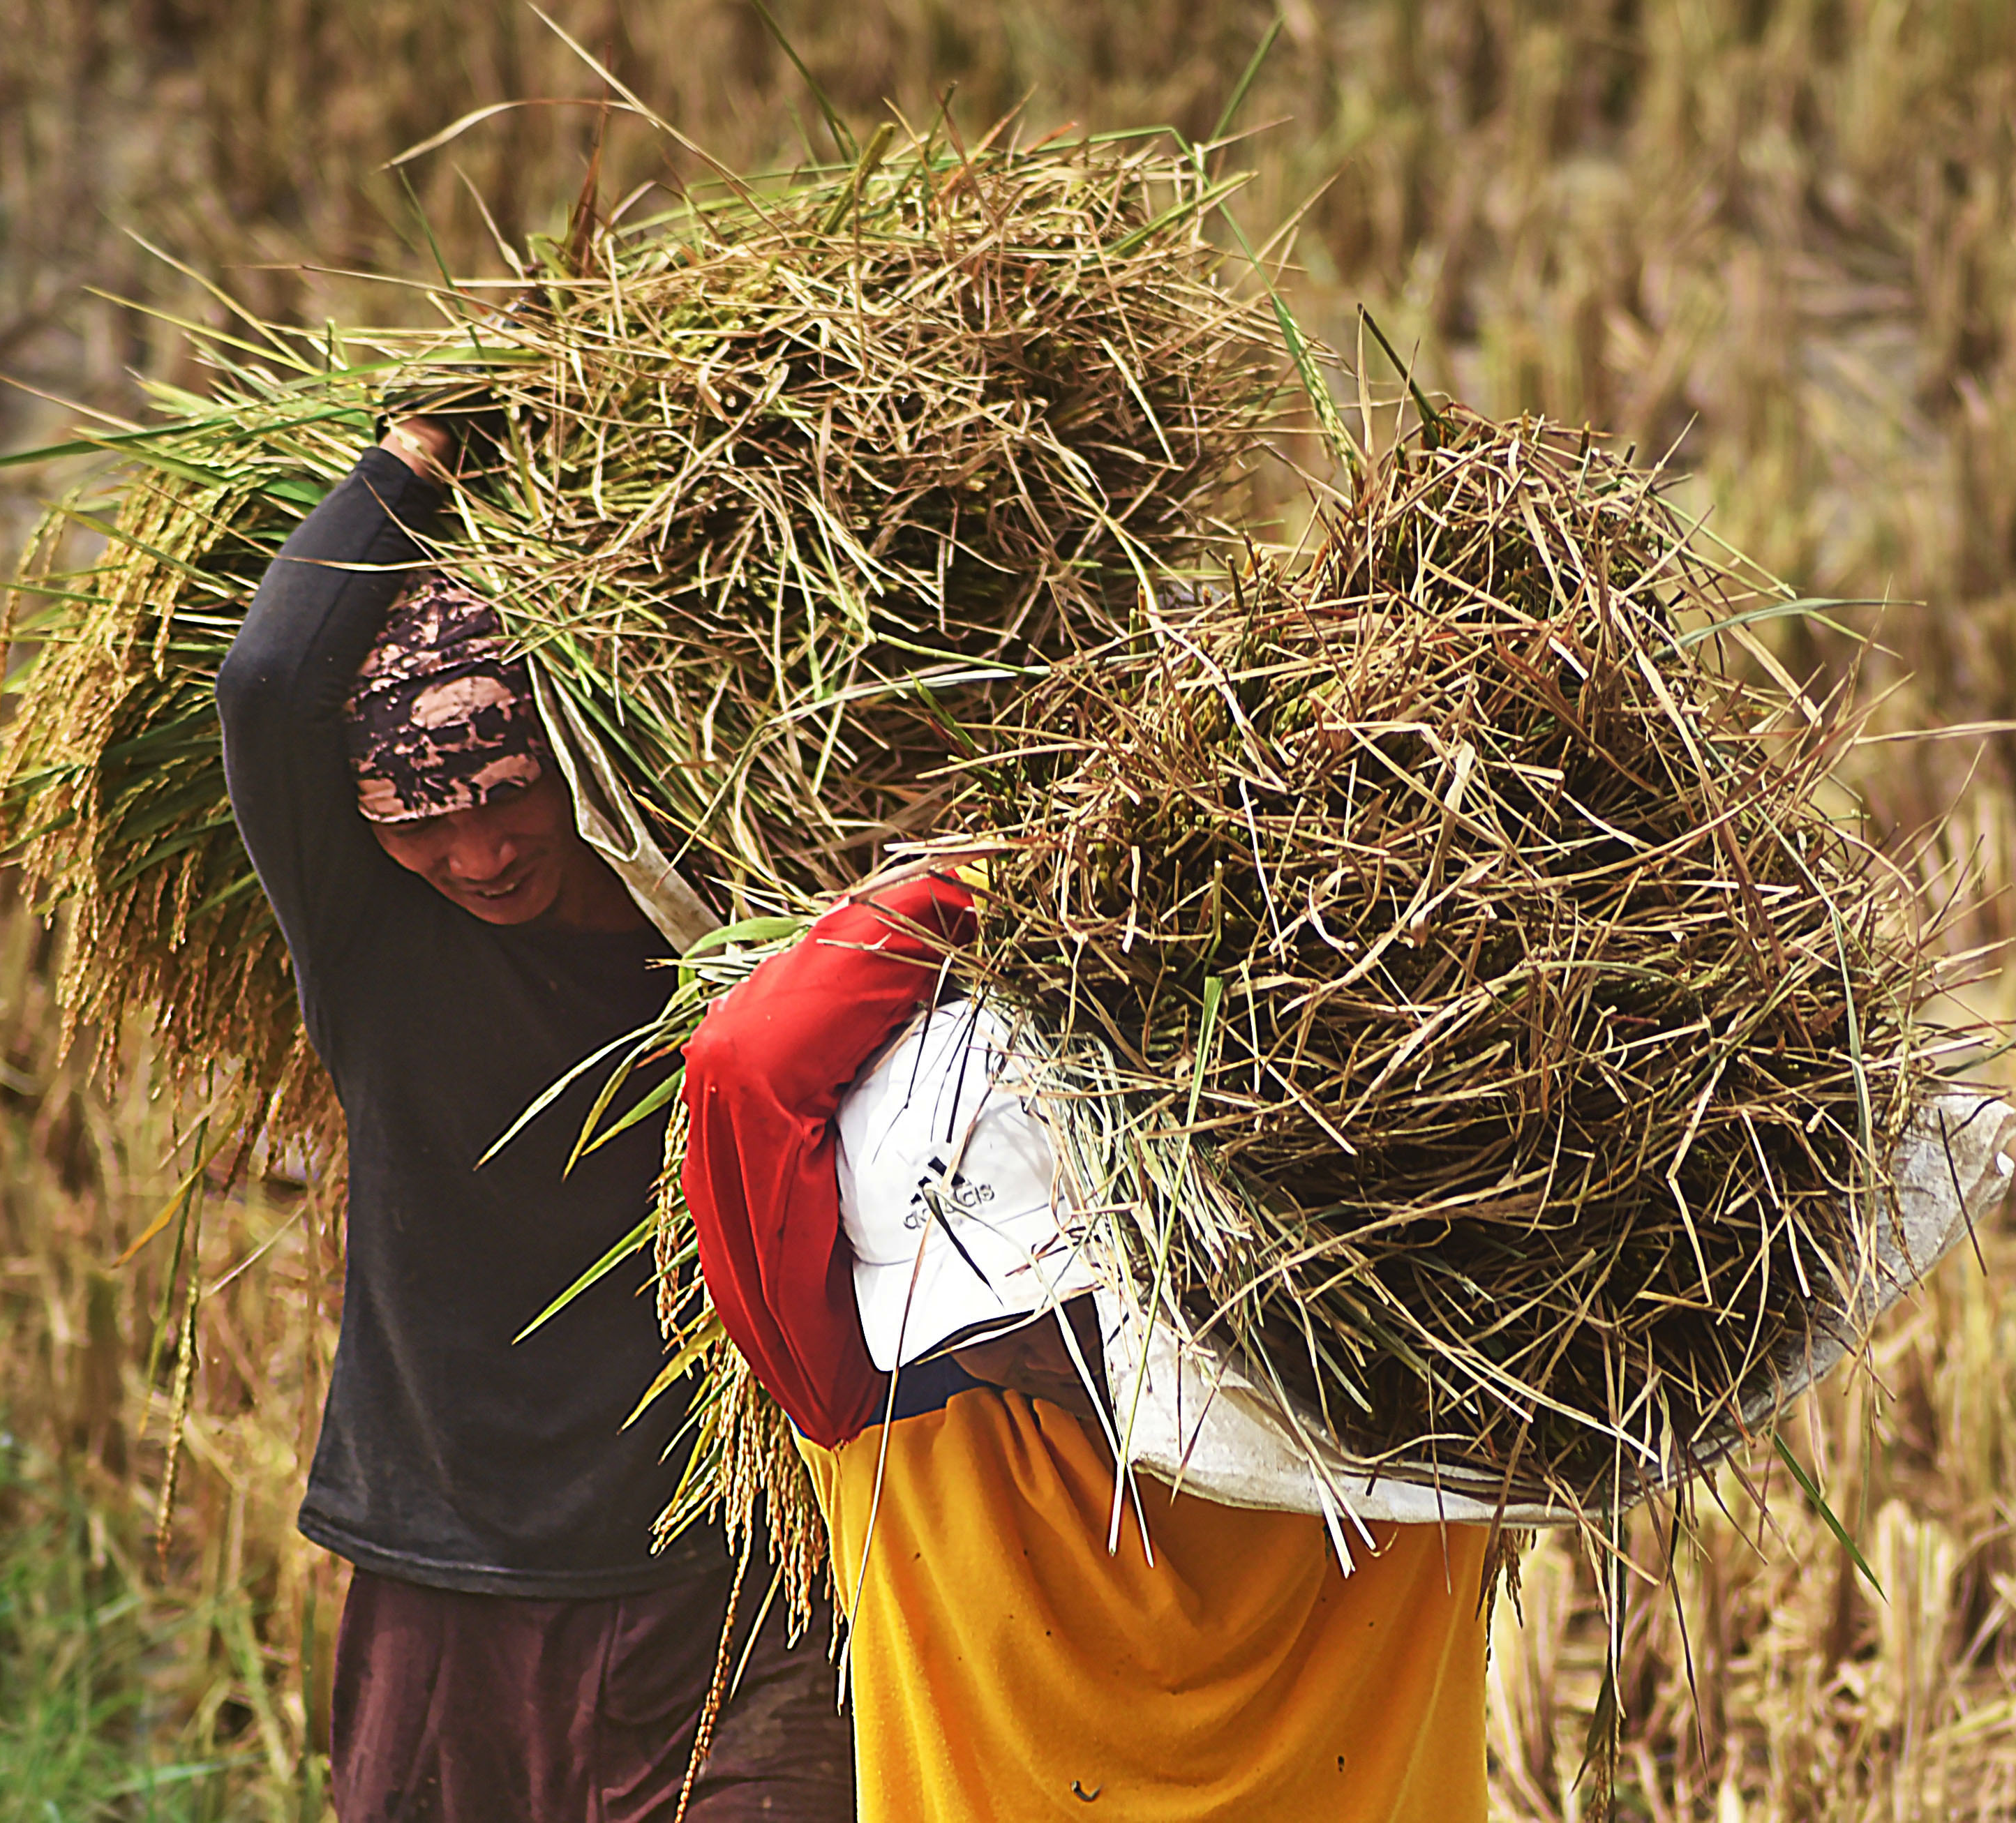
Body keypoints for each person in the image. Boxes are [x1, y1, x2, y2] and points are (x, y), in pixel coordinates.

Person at [216, 414, 854, 1822]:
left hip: (723, 1562)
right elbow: (266, 686)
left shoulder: (718, 933)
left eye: (507, 801)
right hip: (450, 1551)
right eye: (418, 826)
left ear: (571, 765)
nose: (478, 855)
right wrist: (414, 457)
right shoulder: (374, 951)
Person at [676, 867, 1495, 1822]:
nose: (1020, 1352)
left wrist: (988, 895)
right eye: (976, 1326)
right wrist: (1023, 884)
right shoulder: (890, 1418)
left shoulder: (1400, 1400)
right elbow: (732, 1068)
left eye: (1058, 1308)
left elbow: (754, 1061)